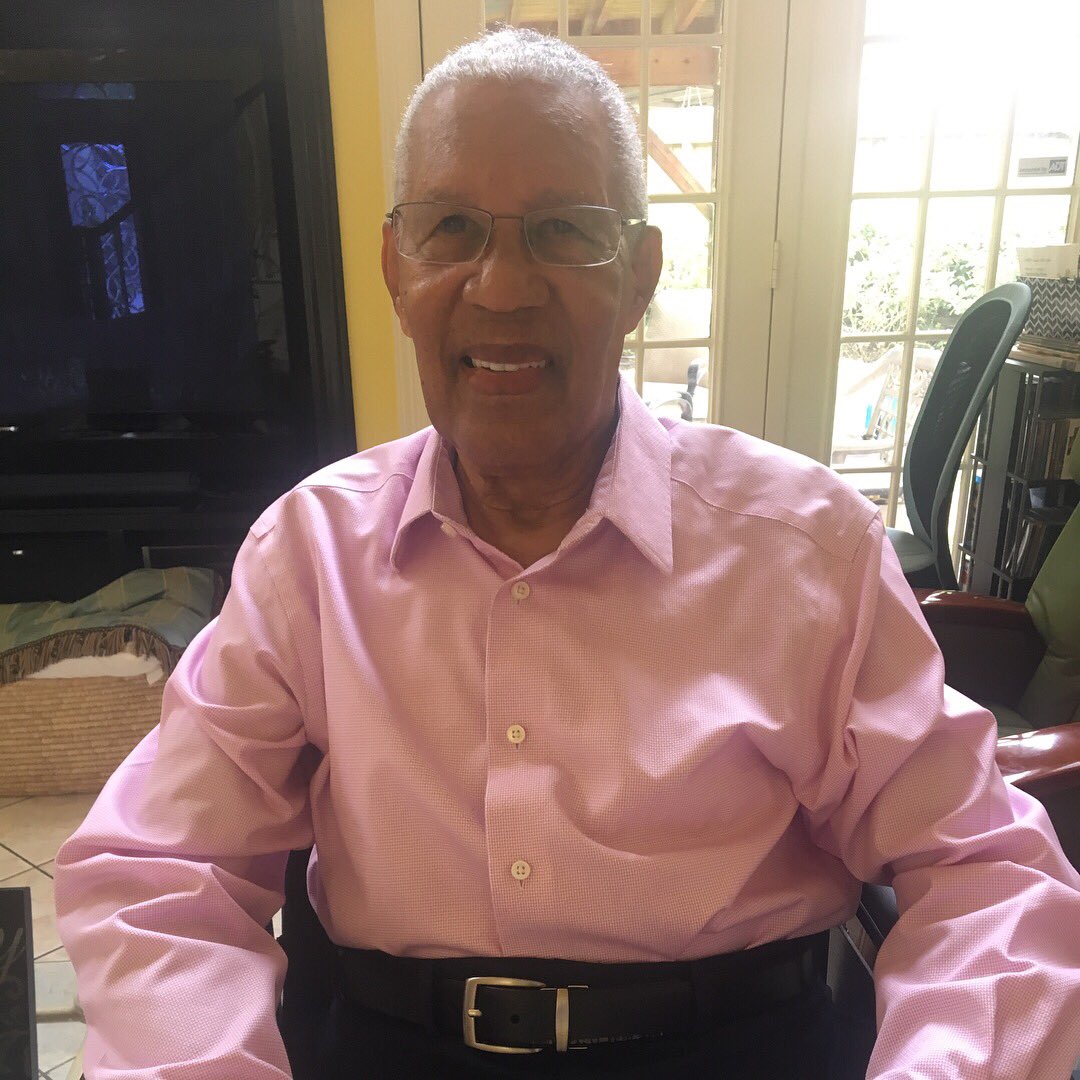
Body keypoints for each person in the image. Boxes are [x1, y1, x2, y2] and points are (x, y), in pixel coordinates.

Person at [55, 27, 1080, 1080]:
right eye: (451, 228)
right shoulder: (310, 556)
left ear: (640, 276)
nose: (502, 287)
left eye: (563, 231)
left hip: (736, 1048)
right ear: (397, 269)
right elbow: (160, 872)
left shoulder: (807, 550)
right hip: (388, 1047)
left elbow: (985, 870)